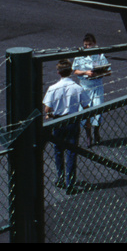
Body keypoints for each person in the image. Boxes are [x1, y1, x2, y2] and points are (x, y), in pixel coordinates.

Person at [43, 58, 88, 190]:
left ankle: (60, 177)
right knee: (71, 151)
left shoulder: (52, 88)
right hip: (73, 120)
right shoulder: (77, 88)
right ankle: (70, 181)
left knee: (58, 150)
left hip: (58, 121)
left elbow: (47, 109)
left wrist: (51, 113)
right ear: (70, 71)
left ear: (58, 72)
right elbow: (86, 106)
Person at [72, 34, 110, 148]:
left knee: (98, 110)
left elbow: (109, 71)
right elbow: (75, 71)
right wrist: (85, 72)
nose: (87, 47)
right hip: (84, 87)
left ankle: (96, 131)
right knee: (85, 111)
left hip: (97, 86)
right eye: (85, 45)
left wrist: (99, 73)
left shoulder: (99, 55)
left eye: (90, 44)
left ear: (94, 43)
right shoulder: (79, 56)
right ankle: (88, 135)